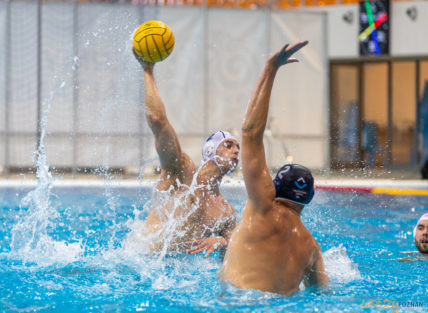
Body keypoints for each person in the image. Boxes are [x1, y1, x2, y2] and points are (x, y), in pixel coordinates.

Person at [220, 41, 329, 296]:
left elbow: (250, 133)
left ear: (275, 186)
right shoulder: (312, 249)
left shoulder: (263, 207)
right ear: (310, 197)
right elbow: (323, 294)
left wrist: (270, 69)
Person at [133, 51, 240, 256]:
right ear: (210, 150)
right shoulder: (182, 172)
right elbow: (157, 120)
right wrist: (148, 69)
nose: (236, 150)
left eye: (238, 147)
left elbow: (234, 258)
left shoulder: (226, 213)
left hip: (173, 278)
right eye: (228, 145)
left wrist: (221, 241)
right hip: (141, 264)